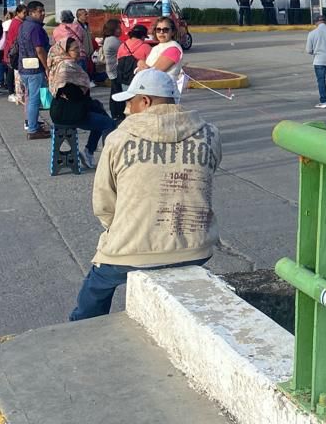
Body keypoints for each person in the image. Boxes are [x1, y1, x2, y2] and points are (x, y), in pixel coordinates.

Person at [67, 68, 220, 321]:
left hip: (131, 251)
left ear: (145, 101)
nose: (126, 109)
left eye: (130, 102)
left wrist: (119, 228)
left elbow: (104, 203)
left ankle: (83, 334)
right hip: (197, 248)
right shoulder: (211, 134)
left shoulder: (118, 139)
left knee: (94, 292)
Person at [48, 36, 118, 169]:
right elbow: (71, 94)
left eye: (79, 48)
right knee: (109, 123)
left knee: (101, 112)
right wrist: (84, 94)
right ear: (65, 51)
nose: (79, 52)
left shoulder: (64, 64)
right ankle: (108, 158)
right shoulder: (65, 67)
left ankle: (89, 152)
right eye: (75, 49)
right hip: (68, 112)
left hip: (66, 109)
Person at [13, 1, 51, 139]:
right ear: (31, 12)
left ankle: (32, 123)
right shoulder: (35, 28)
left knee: (30, 98)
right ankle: (33, 129)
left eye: (43, 10)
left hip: (24, 67)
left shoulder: (23, 25)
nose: (43, 14)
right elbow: (39, 49)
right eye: (40, 11)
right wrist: (47, 67)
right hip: (34, 69)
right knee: (34, 99)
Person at [112, 24, 152, 121]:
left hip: (124, 79)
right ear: (143, 36)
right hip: (139, 80)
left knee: (128, 102)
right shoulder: (146, 47)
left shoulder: (123, 45)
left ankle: (128, 120)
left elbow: (118, 61)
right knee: (140, 103)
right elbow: (150, 65)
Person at [139, 16, 185, 87]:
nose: (161, 32)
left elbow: (154, 72)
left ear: (172, 32)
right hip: (152, 88)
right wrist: (140, 64)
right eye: (158, 29)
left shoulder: (173, 48)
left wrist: (140, 65)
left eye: (165, 30)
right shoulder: (156, 48)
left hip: (164, 91)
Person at [0, 4, 26, 98]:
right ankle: (11, 92)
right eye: (24, 13)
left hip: (12, 49)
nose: (25, 15)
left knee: (12, 71)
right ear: (18, 13)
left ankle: (13, 91)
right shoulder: (17, 23)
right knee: (11, 71)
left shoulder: (17, 22)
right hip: (13, 50)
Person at [95, 19, 122, 84]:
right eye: (118, 28)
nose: (121, 30)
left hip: (111, 70)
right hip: (115, 71)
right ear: (112, 29)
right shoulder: (113, 40)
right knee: (116, 92)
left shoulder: (108, 39)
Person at [76, 9, 95, 75]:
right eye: (85, 14)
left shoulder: (87, 25)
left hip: (89, 55)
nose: (87, 16)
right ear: (79, 16)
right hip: (82, 55)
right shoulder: (76, 27)